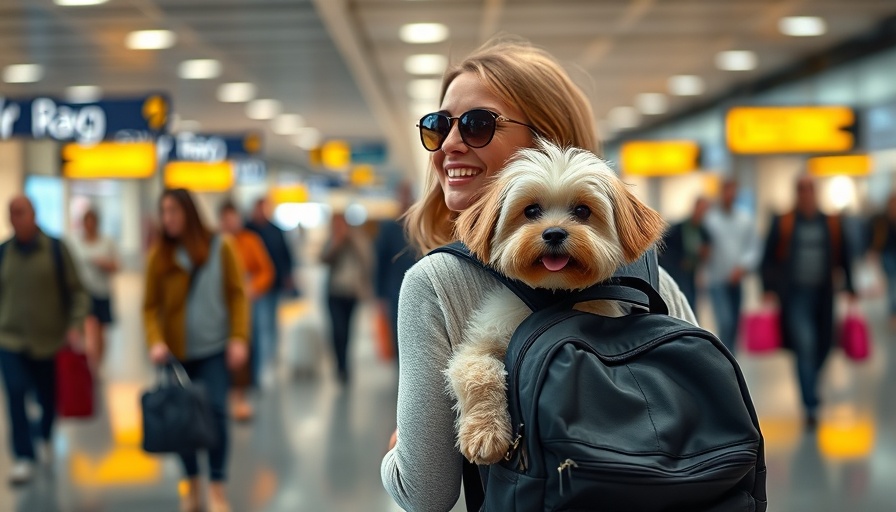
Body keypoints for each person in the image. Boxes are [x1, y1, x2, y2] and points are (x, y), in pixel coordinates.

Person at [380, 36, 699, 512]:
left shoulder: (436, 284)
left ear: (549, 138)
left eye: (477, 124)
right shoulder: (650, 279)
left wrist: (397, 450)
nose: (449, 144)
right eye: (438, 126)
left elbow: (425, 493)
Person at [142, 188, 249, 512]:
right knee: (182, 420)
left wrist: (239, 337)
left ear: (188, 212)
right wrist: (155, 340)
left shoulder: (221, 246)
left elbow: (237, 294)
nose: (168, 218)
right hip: (176, 354)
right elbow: (150, 307)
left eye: (173, 211)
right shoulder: (159, 256)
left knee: (216, 414)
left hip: (215, 349)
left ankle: (217, 485)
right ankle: (192, 484)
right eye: (164, 212)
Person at [0, 196, 90, 485]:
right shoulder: (4, 253)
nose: (16, 219)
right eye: (11, 214)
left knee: (47, 397)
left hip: (50, 341)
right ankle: (23, 456)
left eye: (21, 213)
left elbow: (78, 292)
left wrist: (75, 325)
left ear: (34, 215)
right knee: (15, 394)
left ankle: (47, 436)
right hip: (11, 340)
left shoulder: (54, 249)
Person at [760, 176, 855, 429]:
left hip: (824, 295)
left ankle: (811, 383)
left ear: (816, 192)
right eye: (801, 189)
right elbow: (767, 257)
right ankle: (810, 405)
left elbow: (844, 254)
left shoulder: (831, 223)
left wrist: (851, 286)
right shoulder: (785, 222)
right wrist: (767, 287)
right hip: (794, 296)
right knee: (806, 345)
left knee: (823, 346)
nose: (806, 194)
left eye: (810, 189)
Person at [218, 199, 274, 421]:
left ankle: (245, 389)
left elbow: (265, 271)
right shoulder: (216, 243)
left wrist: (254, 288)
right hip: (221, 305)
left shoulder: (250, 241)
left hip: (247, 302)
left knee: (249, 342)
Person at [703, 180, 760, 354]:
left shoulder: (745, 219)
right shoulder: (710, 220)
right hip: (716, 280)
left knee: (735, 325)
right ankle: (725, 357)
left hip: (736, 282)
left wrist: (743, 267)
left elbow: (753, 248)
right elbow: (702, 245)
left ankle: (731, 357)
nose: (729, 196)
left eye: (733, 192)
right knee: (725, 322)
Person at [245, 197, 295, 388]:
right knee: (260, 325)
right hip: (256, 288)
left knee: (269, 324)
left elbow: (285, 254)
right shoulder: (248, 229)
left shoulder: (275, 230)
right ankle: (262, 363)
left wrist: (288, 276)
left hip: (273, 285)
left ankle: (269, 360)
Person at [320, 212, 373, 384]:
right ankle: (339, 365)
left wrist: (350, 240)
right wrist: (337, 242)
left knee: (347, 331)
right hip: (334, 292)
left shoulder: (357, 239)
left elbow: (367, 260)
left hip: (351, 293)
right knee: (337, 330)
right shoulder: (332, 240)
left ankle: (345, 365)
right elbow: (323, 259)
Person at [69, 208, 119, 372]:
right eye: (86, 221)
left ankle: (96, 363)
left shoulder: (106, 242)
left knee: (100, 332)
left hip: (102, 292)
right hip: (84, 293)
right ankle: (87, 361)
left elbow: (117, 265)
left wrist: (104, 264)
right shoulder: (76, 243)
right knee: (87, 327)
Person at [373, 182, 417, 358]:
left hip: (417, 289)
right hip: (394, 291)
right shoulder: (389, 228)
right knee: (397, 336)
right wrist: (380, 297)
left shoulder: (419, 225)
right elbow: (380, 264)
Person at [658, 196, 712, 314]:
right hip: (677, 271)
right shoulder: (678, 228)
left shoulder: (704, 231)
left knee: (691, 303)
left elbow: (707, 252)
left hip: (692, 273)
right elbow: (665, 249)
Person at [867, 192, 896, 327]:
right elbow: (878, 237)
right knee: (892, 284)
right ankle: (893, 313)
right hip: (888, 254)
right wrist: (874, 250)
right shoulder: (883, 220)